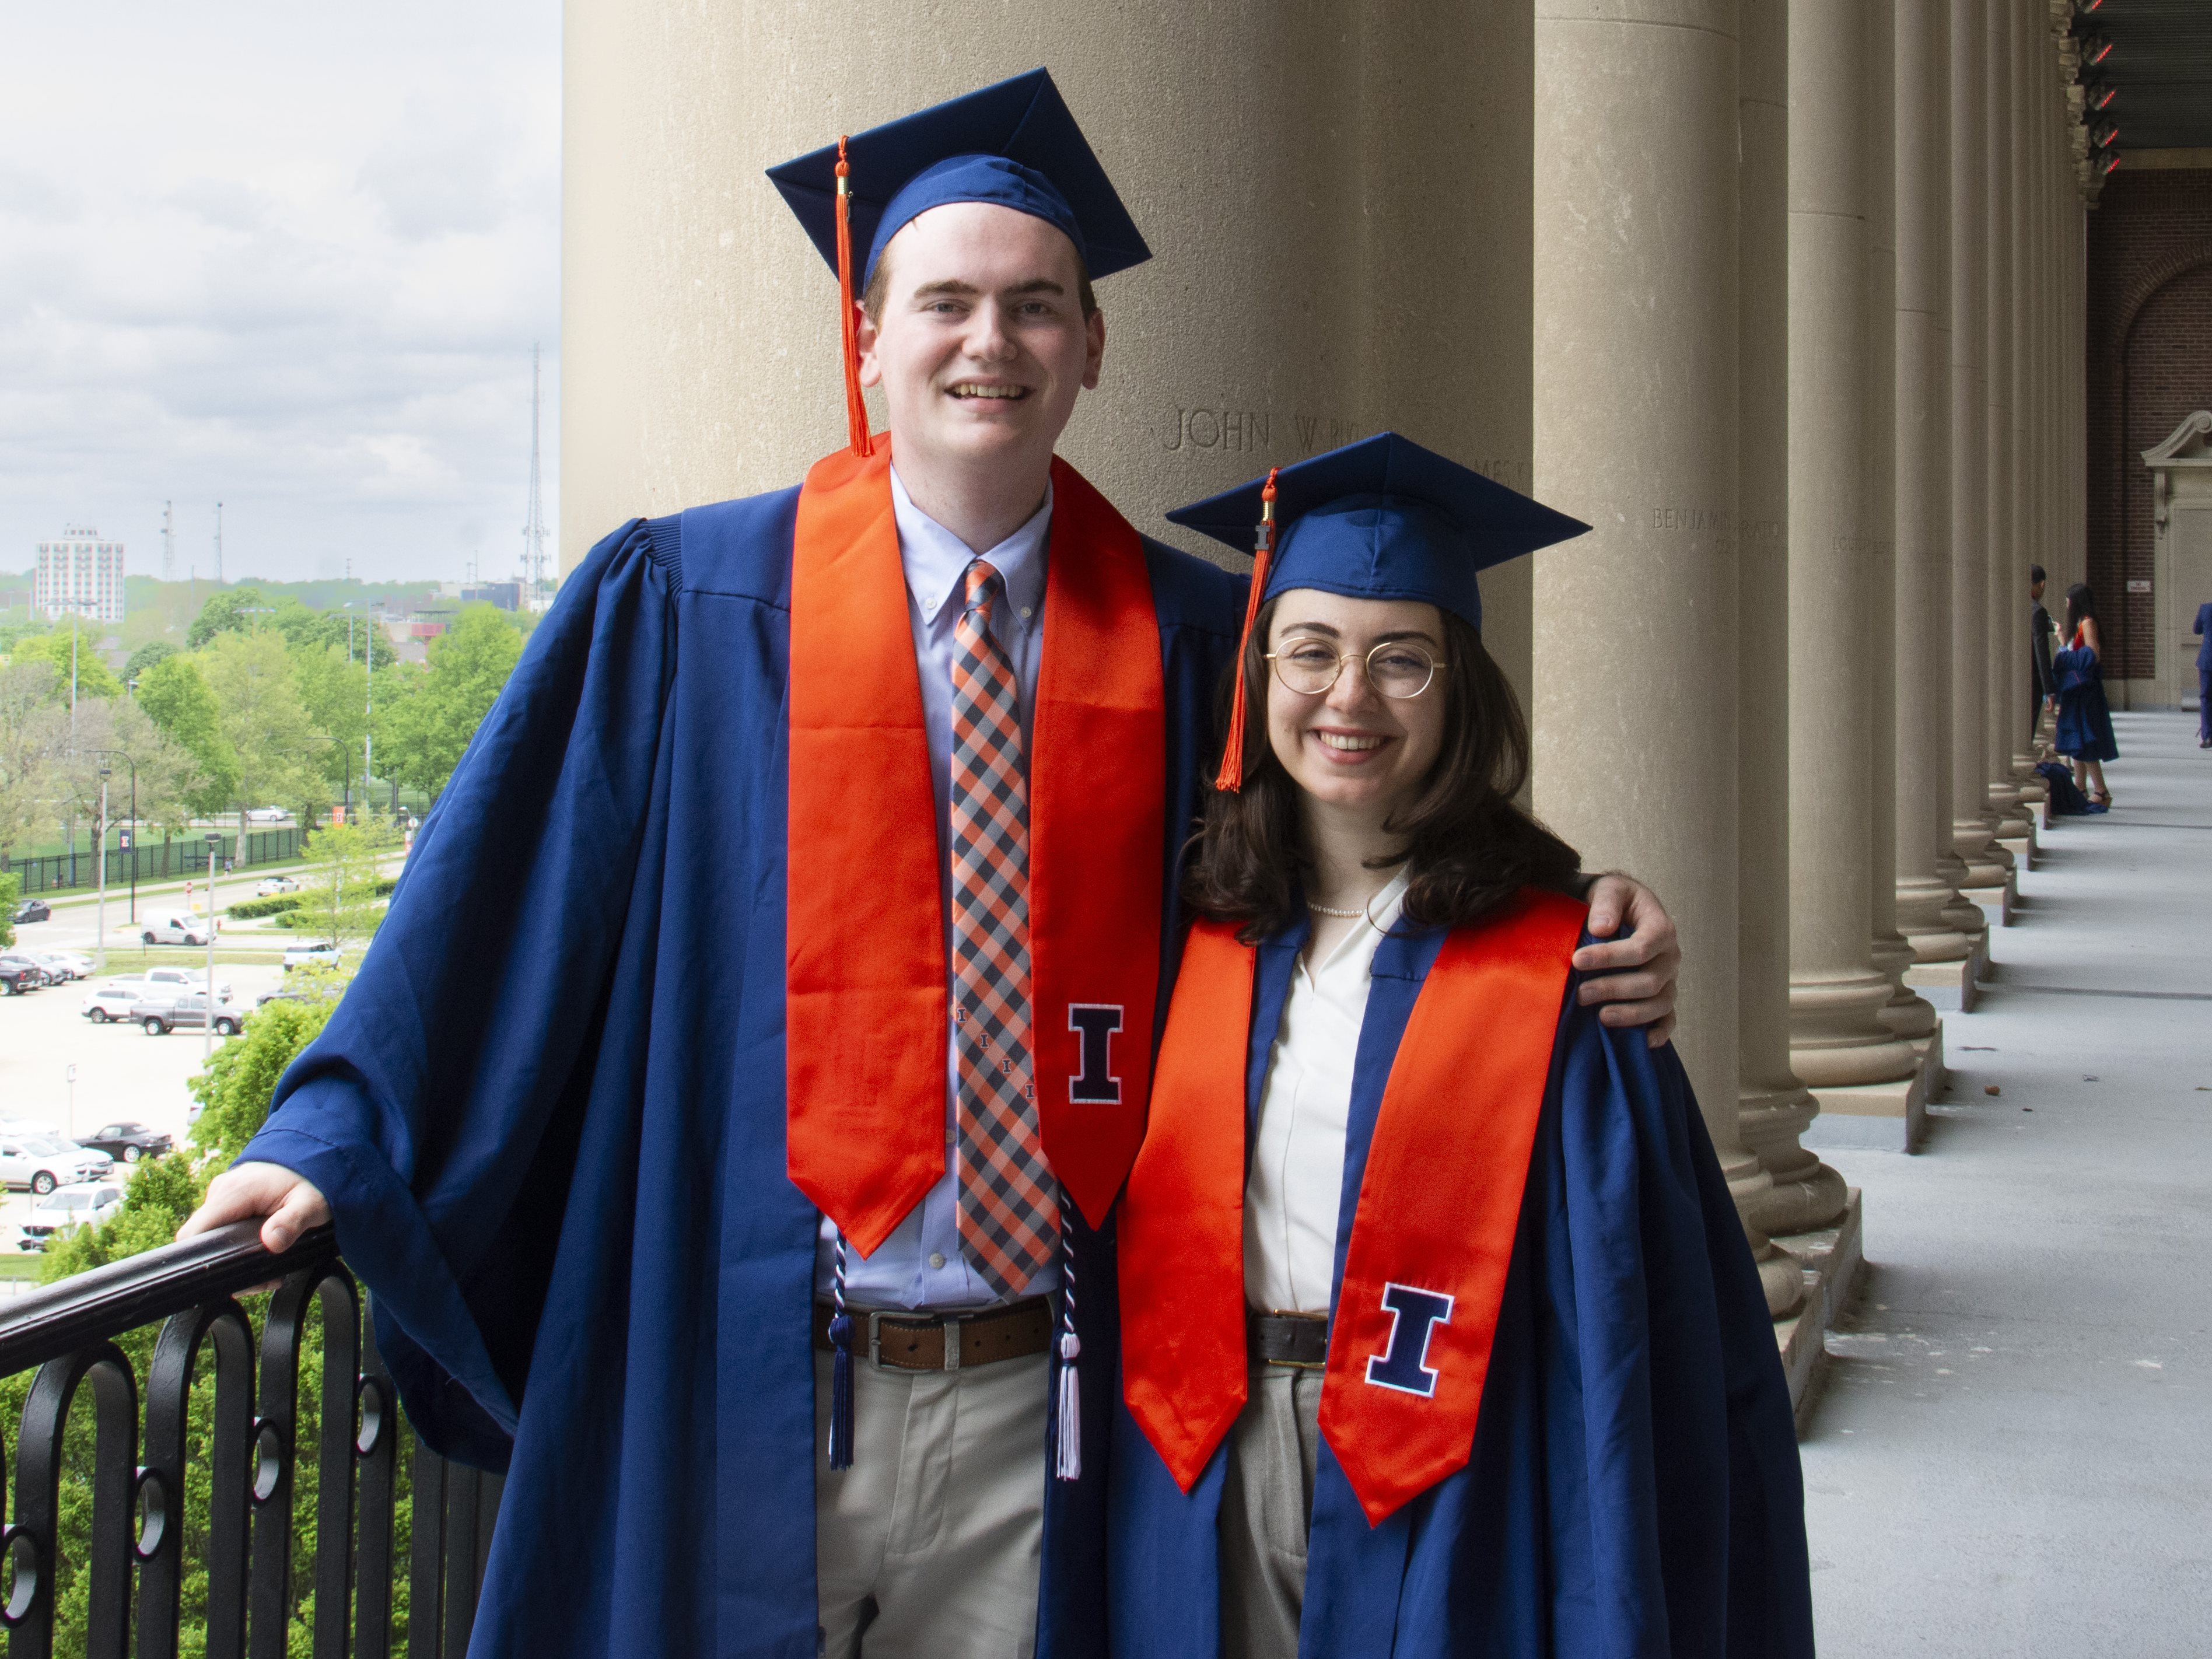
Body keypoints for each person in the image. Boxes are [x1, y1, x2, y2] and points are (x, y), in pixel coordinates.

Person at [178, 74, 1684, 1658]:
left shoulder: (1191, 642)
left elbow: (1356, 862)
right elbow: (501, 902)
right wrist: (339, 1129)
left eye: (1037, 308)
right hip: (758, 1375)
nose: (991, 342)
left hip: (1054, 1414)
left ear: (1091, 350)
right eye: (947, 301)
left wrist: (1579, 907)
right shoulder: (689, 604)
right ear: (867, 338)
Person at [1110, 435, 1811, 1658]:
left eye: (1403, 661)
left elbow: (1640, 1304)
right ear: (1258, 671)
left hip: (1461, 1472)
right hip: (1196, 1453)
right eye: (1311, 650)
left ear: (1462, 688)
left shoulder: (1561, 974)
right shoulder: (1192, 935)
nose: (1349, 698)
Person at [2053, 580, 2119, 807]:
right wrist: (2063, 641)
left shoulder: (2088, 624)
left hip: (2085, 691)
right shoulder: (2081, 624)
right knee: (2078, 741)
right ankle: (2080, 788)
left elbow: (2092, 655)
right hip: (2077, 690)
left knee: (2085, 739)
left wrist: (2063, 654)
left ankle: (2101, 790)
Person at [2030, 564, 2057, 741]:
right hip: (2032, 680)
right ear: (2042, 584)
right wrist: (2050, 690)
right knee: (2028, 727)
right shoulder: (2038, 612)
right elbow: (2042, 651)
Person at [2193, 599, 2210, 748]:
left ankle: (2208, 736)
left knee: (2206, 698)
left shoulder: (2205, 609)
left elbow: (2196, 629)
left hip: (2207, 660)